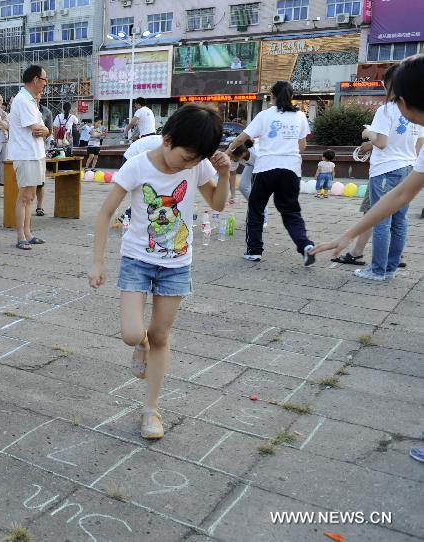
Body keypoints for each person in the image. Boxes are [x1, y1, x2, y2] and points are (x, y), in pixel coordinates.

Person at [88, 103, 231, 440]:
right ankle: (141, 347)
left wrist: (225, 174)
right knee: (133, 334)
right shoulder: (138, 166)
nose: (190, 165)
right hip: (137, 260)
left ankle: (151, 409)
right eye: (186, 158)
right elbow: (105, 213)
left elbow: (219, 204)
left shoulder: (198, 164)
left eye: (197, 160)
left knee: (161, 335)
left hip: (177, 265)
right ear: (167, 140)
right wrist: (97, 261)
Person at [344, 69, 423, 280]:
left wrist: (368, 132)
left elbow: (381, 142)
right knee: (400, 221)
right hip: (408, 168)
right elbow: (419, 145)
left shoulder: (386, 109)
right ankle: (390, 268)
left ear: (388, 85)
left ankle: (378, 270)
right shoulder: (417, 109)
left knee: (381, 220)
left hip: (386, 170)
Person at [228, 80, 315, 265]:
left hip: (266, 167)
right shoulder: (300, 116)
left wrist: (229, 150)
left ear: (272, 96)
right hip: (291, 169)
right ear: (291, 97)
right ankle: (305, 245)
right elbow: (302, 146)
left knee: (256, 208)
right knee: (291, 211)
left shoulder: (264, 115)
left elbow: (244, 137)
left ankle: (254, 251)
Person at [7, 65, 51, 250]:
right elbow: (37, 129)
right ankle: (20, 236)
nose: (45, 84)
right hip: (26, 154)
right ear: (35, 80)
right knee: (24, 196)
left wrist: (46, 130)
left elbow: (45, 129)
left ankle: (28, 232)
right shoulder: (23, 100)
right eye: (44, 80)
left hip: (35, 153)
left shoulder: (31, 100)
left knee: (31, 195)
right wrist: (45, 130)